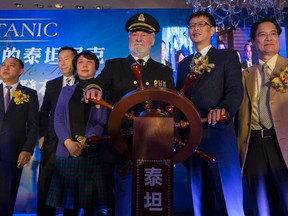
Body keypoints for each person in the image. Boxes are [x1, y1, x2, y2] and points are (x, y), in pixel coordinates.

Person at [84, 13, 174, 216]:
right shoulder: (113, 65)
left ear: (152, 40)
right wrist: (93, 88)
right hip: (120, 143)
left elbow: (172, 107)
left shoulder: (164, 71)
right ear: (129, 39)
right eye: (135, 34)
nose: (139, 38)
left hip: (154, 145)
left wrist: (173, 140)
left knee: (153, 196)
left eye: (144, 34)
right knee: (122, 197)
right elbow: (98, 83)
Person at [177, 11, 244, 216]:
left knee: (228, 193)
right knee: (199, 194)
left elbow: (235, 91)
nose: (195, 28)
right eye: (191, 25)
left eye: (201, 24)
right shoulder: (182, 65)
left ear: (212, 30)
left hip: (219, 134)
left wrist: (224, 110)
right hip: (192, 138)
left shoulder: (227, 56)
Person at [45, 50, 108, 216]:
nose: (84, 65)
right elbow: (57, 117)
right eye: (80, 62)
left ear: (96, 67)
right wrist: (68, 142)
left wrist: (85, 142)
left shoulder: (102, 92)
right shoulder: (66, 91)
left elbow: (101, 121)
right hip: (66, 152)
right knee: (68, 206)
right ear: (76, 67)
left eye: (89, 62)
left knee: (90, 206)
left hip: (91, 152)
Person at [238, 18, 288, 216]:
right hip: (254, 144)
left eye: (273, 34)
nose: (269, 38)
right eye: (262, 34)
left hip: (282, 143)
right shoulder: (245, 75)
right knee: (261, 205)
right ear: (253, 40)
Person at [37, 46, 78, 216]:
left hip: (74, 143)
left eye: (66, 59)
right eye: (59, 59)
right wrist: (42, 135)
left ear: (76, 60)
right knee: (46, 185)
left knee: (72, 189)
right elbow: (44, 112)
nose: (62, 63)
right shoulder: (52, 84)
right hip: (52, 143)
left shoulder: (85, 83)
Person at [0, 57, 39, 215]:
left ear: (21, 71)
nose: (6, 68)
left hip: (13, 152)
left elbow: (34, 125)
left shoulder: (29, 94)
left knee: (6, 196)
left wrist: (27, 149)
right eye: (3, 65)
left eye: (11, 65)